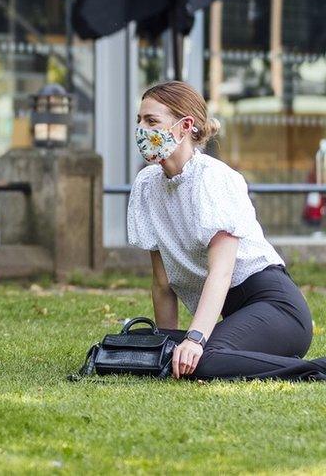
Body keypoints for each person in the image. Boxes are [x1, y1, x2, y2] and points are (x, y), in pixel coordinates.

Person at [128, 80, 326, 380]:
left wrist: (194, 340)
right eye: (140, 120)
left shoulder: (214, 179)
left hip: (275, 306)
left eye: (152, 121)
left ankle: (316, 370)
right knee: (183, 361)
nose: (142, 129)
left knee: (204, 362)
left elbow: (221, 272)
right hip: (235, 314)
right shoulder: (146, 185)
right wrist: (165, 346)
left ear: (185, 127)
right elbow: (162, 283)